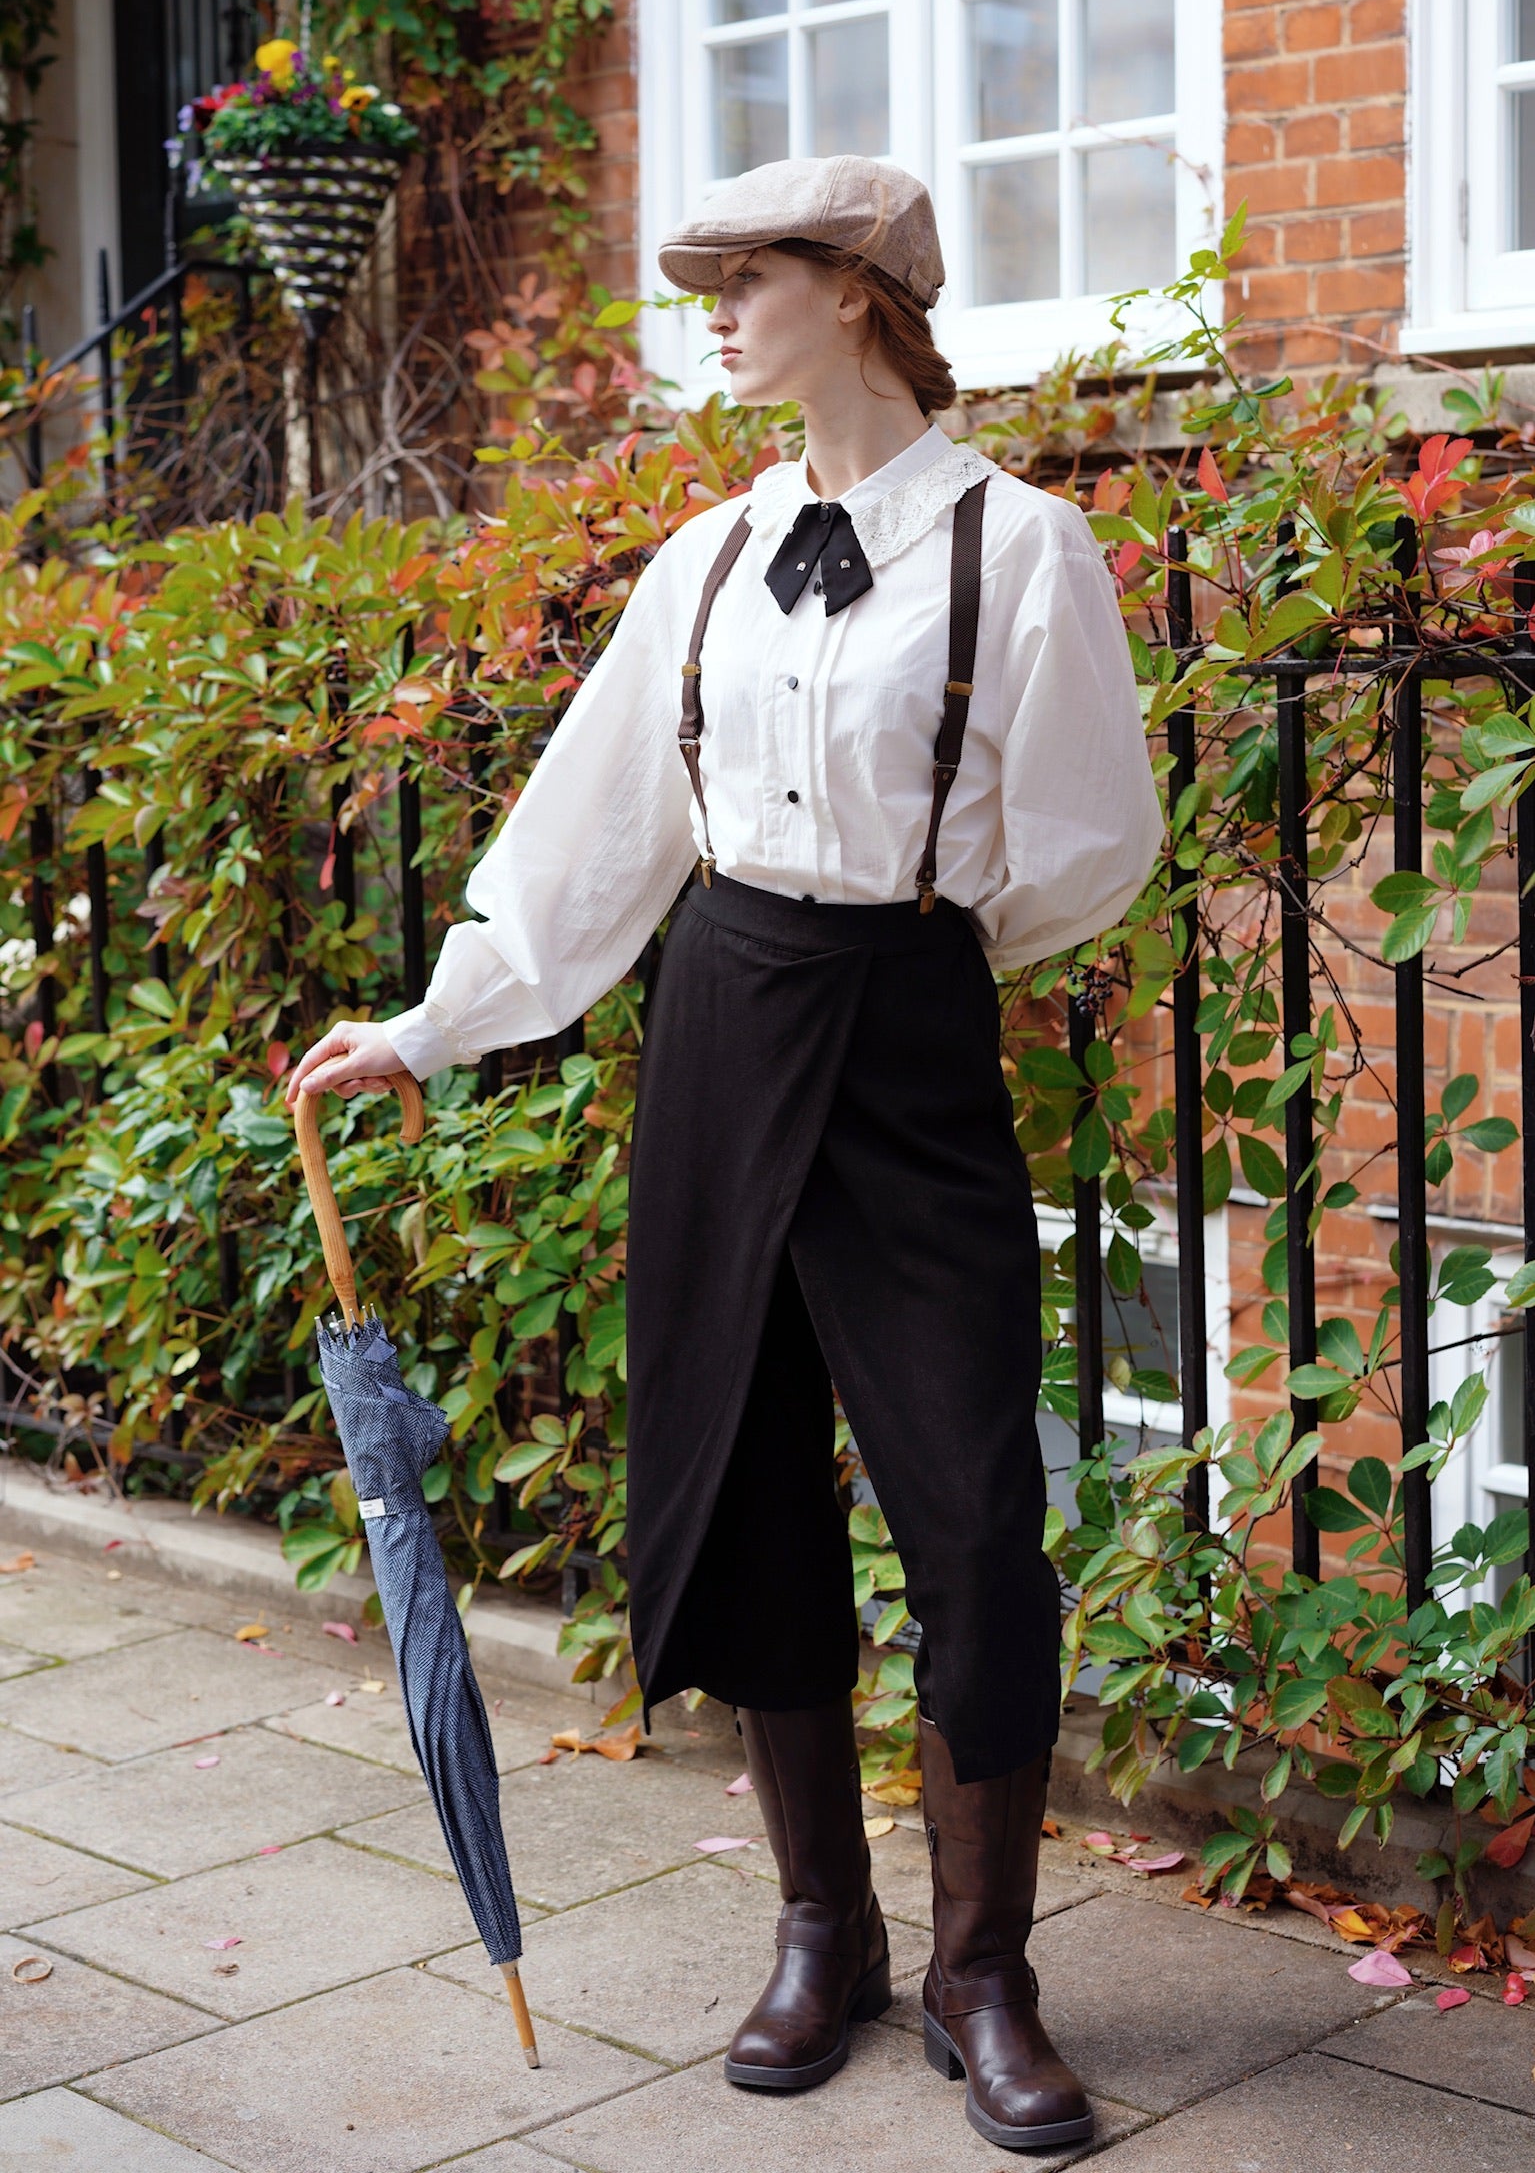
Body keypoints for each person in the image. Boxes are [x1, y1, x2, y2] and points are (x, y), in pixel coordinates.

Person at [286, 153, 1162, 2152]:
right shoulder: (710, 554)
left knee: (973, 1523)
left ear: (855, 294)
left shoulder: (1020, 552)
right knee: (743, 1485)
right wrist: (434, 1020)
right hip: (723, 1020)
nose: (713, 306)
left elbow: (1091, 849)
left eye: (745, 274)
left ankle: (984, 1969)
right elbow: (601, 833)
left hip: (907, 1037)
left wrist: (917, 954)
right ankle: (823, 1927)